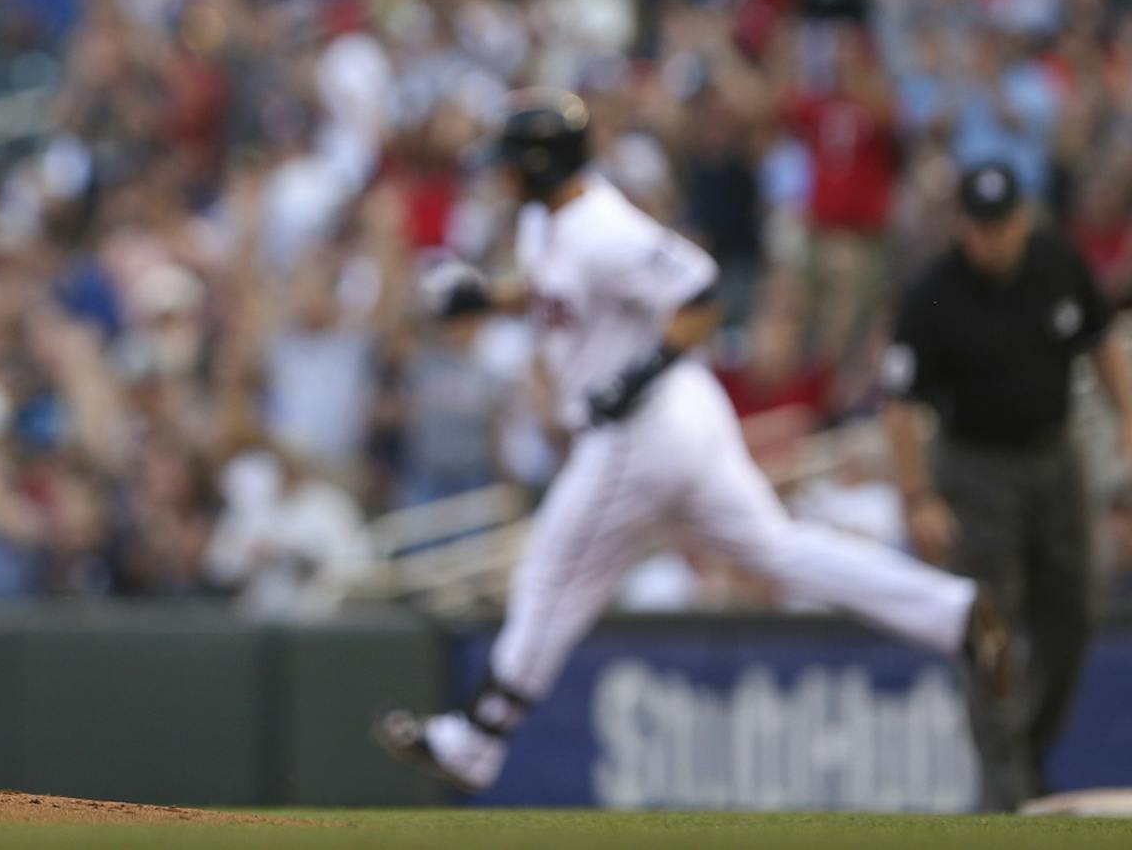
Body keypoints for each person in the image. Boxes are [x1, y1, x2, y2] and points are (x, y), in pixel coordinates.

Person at [374, 90, 1011, 795]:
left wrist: (638, 372)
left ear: (539, 165)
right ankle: (951, 611)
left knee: (551, 571)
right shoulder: (548, 221)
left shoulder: (602, 225)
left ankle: (475, 741)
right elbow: (562, 287)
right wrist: (492, 297)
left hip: (643, 426)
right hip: (674, 420)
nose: (498, 174)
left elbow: (701, 290)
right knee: (775, 549)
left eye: (510, 163)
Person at [882, 162, 1132, 810]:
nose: (993, 238)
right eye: (981, 226)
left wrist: (1130, 415)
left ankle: (1027, 747)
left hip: (1056, 458)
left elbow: (1101, 343)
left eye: (1003, 224)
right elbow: (901, 402)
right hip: (974, 469)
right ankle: (1007, 791)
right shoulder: (934, 292)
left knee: (1072, 613)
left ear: (1023, 217)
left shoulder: (1055, 263)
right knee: (990, 626)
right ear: (962, 224)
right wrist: (918, 496)